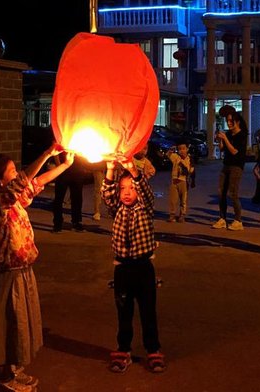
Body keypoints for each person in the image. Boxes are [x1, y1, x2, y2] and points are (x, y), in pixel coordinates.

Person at [0, 144, 75, 390]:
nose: (17, 173)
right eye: (11, 171)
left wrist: (64, 165)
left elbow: (36, 181)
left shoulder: (13, 200)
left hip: (22, 269)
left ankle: (11, 368)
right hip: (11, 271)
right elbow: (25, 180)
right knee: (11, 321)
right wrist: (46, 153)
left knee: (20, 321)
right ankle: (6, 375)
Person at [100, 154, 166, 374]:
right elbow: (107, 194)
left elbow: (146, 192)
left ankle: (153, 350)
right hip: (122, 268)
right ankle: (123, 350)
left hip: (143, 268)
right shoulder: (117, 208)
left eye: (131, 188)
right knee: (124, 312)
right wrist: (110, 167)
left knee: (148, 311)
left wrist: (133, 169)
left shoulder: (145, 208)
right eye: (123, 188)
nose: (126, 193)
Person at [212, 108, 248, 231]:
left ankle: (238, 220)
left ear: (237, 122)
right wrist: (220, 139)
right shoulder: (228, 134)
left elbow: (234, 151)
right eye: (227, 121)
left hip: (236, 166)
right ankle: (222, 218)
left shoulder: (242, 135)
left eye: (231, 121)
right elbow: (223, 149)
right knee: (221, 192)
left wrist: (226, 139)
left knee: (233, 193)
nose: (229, 123)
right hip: (226, 164)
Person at [52, 153, 87, 232]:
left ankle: (77, 222)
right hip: (63, 170)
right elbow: (55, 153)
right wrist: (59, 167)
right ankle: (57, 224)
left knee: (77, 198)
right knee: (59, 198)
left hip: (78, 170)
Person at [166, 141, 193, 222]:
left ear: (187, 149)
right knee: (173, 199)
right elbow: (168, 154)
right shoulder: (175, 157)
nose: (181, 150)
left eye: (183, 149)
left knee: (183, 200)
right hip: (174, 181)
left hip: (184, 181)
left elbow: (191, 170)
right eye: (180, 149)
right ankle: (172, 215)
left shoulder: (189, 159)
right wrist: (171, 150)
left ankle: (182, 215)